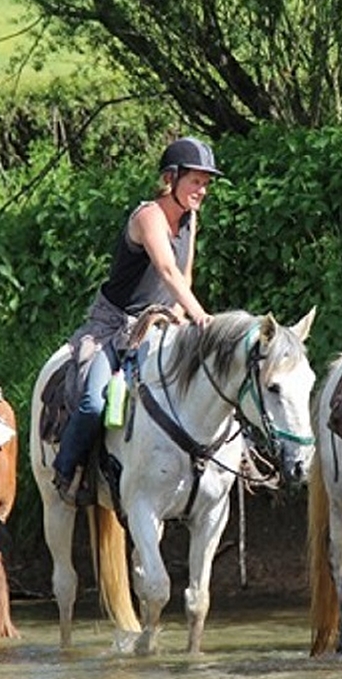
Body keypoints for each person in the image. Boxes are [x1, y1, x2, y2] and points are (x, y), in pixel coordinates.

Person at [50, 137, 219, 505]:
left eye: (206, 184)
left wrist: (179, 315)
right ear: (170, 179)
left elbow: (185, 277)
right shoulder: (148, 217)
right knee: (94, 401)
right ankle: (67, 472)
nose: (202, 190)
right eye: (195, 181)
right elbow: (167, 270)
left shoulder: (190, 220)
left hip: (160, 325)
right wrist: (200, 316)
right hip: (114, 326)